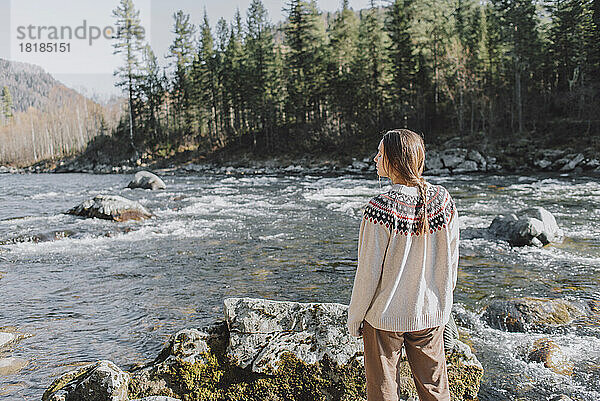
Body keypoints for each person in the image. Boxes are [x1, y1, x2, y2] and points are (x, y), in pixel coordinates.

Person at [346, 129, 459, 401]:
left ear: (395, 161)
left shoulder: (380, 208)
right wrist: (443, 306)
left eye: (380, 154)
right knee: (435, 391)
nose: (375, 159)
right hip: (429, 314)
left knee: (384, 392)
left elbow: (368, 273)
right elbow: (451, 261)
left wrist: (355, 317)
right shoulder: (443, 201)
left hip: (384, 318)